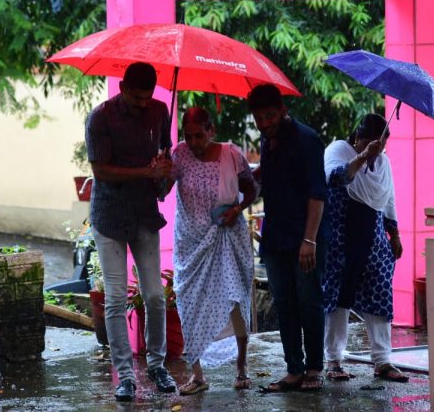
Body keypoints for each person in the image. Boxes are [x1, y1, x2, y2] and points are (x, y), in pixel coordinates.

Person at [84, 62, 177, 402]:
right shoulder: (100, 117)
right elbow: (101, 170)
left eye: (147, 97)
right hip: (109, 215)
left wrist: (166, 173)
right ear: (122, 87)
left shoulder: (159, 111)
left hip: (144, 213)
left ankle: (157, 365)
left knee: (154, 295)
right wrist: (145, 173)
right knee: (116, 297)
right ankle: (125, 375)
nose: (142, 104)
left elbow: (164, 162)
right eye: (136, 98)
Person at [167, 107, 258, 395]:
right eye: (188, 136)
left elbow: (252, 190)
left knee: (234, 298)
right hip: (191, 242)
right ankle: (197, 374)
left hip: (227, 237)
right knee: (190, 302)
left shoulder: (231, 154)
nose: (193, 142)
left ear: (211, 131)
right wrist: (159, 171)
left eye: (199, 135)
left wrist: (236, 209)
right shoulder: (178, 154)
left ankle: (241, 366)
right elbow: (161, 191)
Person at [247, 84, 328, 392]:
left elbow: (317, 194)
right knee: (283, 302)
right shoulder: (268, 143)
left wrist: (309, 241)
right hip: (275, 235)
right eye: (259, 118)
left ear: (282, 109)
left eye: (269, 116)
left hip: (307, 236)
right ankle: (293, 368)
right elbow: (264, 179)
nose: (265, 123)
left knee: (309, 301)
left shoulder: (307, 140)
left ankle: (314, 368)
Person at [322, 113, 409, 383]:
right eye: (371, 146)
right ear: (357, 139)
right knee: (339, 297)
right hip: (341, 238)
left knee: (380, 294)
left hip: (373, 240)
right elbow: (335, 177)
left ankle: (383, 361)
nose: (376, 153)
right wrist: (361, 158)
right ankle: (334, 360)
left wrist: (394, 234)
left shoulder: (383, 163)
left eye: (380, 148)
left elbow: (389, 199)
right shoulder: (338, 150)